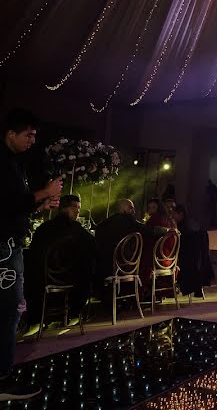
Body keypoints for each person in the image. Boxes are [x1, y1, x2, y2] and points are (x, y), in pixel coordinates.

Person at [0, 109, 62, 401]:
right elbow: (7, 203)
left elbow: (16, 207)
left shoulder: (14, 162)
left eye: (35, 135)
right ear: (10, 134)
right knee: (8, 309)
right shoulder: (3, 162)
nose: (32, 141)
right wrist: (42, 192)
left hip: (10, 243)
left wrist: (39, 204)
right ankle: (2, 378)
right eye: (28, 135)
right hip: (3, 247)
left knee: (9, 309)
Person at [24, 194, 95, 331]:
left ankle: (40, 316)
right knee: (87, 266)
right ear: (65, 208)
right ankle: (75, 312)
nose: (78, 212)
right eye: (76, 208)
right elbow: (93, 247)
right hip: (69, 280)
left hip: (42, 281)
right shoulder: (76, 229)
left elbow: (32, 255)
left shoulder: (43, 228)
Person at [93, 199, 165, 294]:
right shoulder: (128, 220)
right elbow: (149, 230)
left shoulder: (104, 224)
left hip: (103, 267)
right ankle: (136, 294)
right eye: (131, 208)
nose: (134, 211)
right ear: (123, 209)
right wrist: (167, 230)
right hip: (124, 266)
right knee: (144, 260)